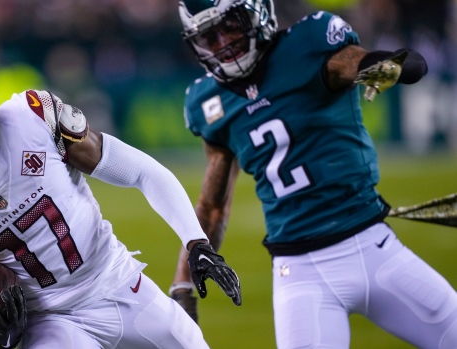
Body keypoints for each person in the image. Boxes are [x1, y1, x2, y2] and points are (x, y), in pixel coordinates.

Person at [0, 52, 242, 349]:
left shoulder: (31, 120)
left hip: (117, 281)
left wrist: (197, 242)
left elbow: (141, 172)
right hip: (49, 321)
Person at [169, 0, 457, 348]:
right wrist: (182, 283)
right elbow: (212, 207)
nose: (221, 43)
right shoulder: (208, 101)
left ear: (258, 13)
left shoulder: (309, 43)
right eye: (207, 36)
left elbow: (353, 63)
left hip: (374, 247)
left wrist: (384, 66)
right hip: (299, 273)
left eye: (229, 25)